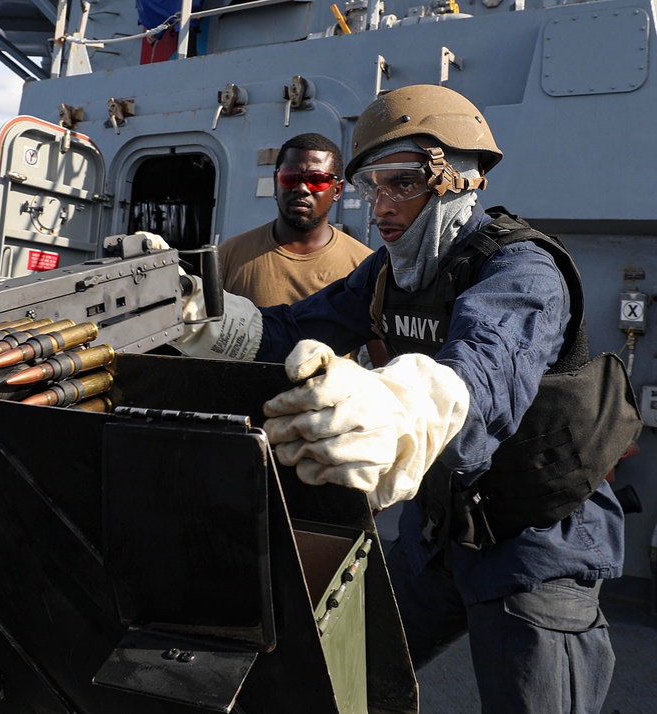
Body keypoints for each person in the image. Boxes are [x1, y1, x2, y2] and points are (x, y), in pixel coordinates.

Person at [174, 84, 641, 713]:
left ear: (459, 179)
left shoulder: (523, 271)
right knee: (341, 673)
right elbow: (294, 328)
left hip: (536, 539)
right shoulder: (388, 272)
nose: (382, 207)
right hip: (443, 527)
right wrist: (203, 313)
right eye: (371, 186)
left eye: (403, 183)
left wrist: (398, 413)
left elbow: (484, 371)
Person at [218, 133, 387, 365]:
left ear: (337, 190)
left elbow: (383, 365)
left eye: (317, 179)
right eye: (290, 177)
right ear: (277, 182)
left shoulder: (365, 266)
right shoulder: (230, 254)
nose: (302, 188)